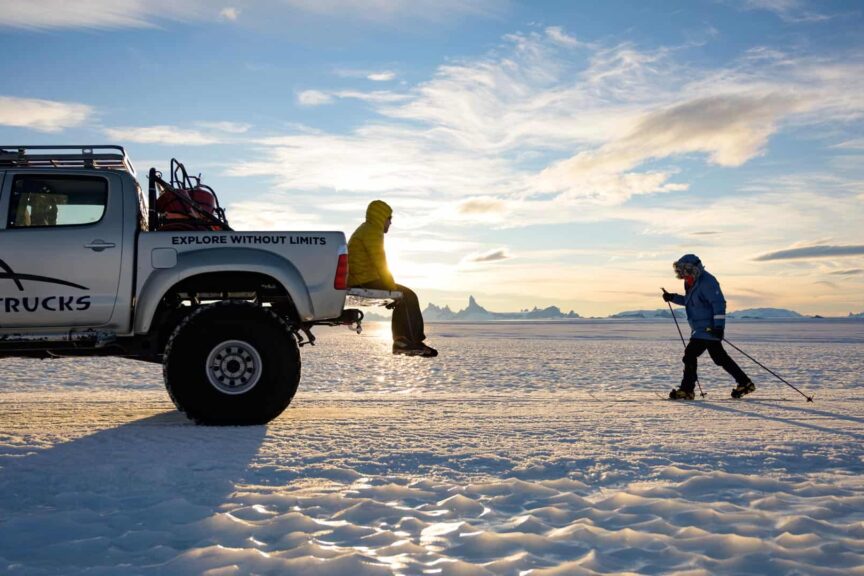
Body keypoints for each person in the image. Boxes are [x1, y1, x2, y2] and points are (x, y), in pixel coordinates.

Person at [348, 200, 438, 357]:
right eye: (389, 218)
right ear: (381, 217)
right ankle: (412, 341)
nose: (390, 222)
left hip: (363, 278)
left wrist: (392, 289)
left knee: (401, 298)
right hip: (365, 279)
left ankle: (402, 341)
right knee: (407, 295)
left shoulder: (366, 229)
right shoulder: (372, 231)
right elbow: (379, 261)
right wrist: (391, 286)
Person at [663, 254, 755, 400]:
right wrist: (673, 297)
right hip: (700, 329)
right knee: (720, 358)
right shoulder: (690, 282)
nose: (683, 275)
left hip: (708, 329)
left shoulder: (707, 282)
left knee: (690, 355)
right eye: (680, 272)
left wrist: (719, 328)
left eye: (684, 271)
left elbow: (719, 304)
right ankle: (745, 383)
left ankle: (687, 390)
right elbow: (690, 301)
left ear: (692, 269)